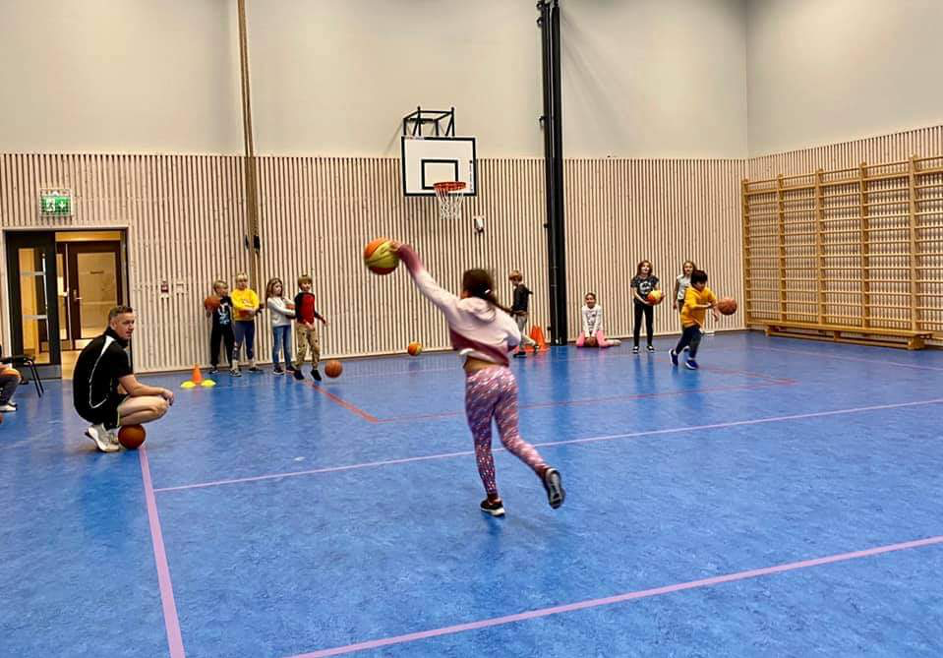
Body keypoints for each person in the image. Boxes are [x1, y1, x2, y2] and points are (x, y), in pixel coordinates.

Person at [392, 241, 564, 517]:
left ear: (465, 288)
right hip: (505, 378)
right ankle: (545, 470)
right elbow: (516, 342)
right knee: (512, 438)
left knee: (483, 443)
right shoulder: (502, 315)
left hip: (480, 379)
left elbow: (425, 281)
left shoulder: (456, 306)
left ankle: (494, 500)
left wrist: (406, 253)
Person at [73, 306, 174, 452]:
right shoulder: (114, 350)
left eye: (133, 322)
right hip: (93, 406)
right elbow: (134, 389)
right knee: (159, 406)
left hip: (91, 402)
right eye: (126, 323)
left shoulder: (106, 343)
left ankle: (104, 427)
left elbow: (122, 386)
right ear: (113, 324)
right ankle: (103, 427)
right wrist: (162, 391)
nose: (131, 327)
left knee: (135, 398)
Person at [670, 269, 720, 370]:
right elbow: (693, 307)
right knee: (697, 336)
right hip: (687, 318)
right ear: (694, 283)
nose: (703, 285)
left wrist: (715, 312)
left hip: (697, 320)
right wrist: (707, 307)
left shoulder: (707, 291)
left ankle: (674, 353)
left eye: (704, 283)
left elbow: (714, 301)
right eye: (700, 283)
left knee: (686, 339)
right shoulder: (690, 292)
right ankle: (691, 359)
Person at [292, 274, 328, 381]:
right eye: (304, 283)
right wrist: (306, 323)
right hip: (302, 325)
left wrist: (321, 318)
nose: (307, 285)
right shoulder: (299, 297)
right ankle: (297, 369)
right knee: (303, 348)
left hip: (311, 325)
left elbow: (312, 311)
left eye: (308, 283)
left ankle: (315, 369)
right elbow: (298, 313)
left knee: (316, 347)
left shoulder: (312, 296)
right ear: (300, 285)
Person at [230, 273, 261, 376]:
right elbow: (236, 305)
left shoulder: (251, 292)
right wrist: (247, 309)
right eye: (240, 281)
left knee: (250, 343)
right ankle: (234, 367)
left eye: (244, 280)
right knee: (237, 344)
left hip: (250, 321)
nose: (243, 283)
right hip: (240, 321)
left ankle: (252, 365)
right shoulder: (234, 293)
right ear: (236, 282)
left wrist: (254, 309)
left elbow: (256, 302)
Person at [265, 277, 296, 375]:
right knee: (277, 346)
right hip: (278, 325)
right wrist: (295, 313)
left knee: (288, 347)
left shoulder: (283, 298)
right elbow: (281, 311)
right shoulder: (270, 300)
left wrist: (293, 305)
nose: (279, 288)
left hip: (287, 324)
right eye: (277, 286)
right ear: (271, 288)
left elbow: (293, 304)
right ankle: (276, 366)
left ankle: (288, 365)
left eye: (280, 286)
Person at [630, 260, 660, 354]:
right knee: (637, 323)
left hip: (649, 303)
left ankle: (649, 344)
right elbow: (635, 293)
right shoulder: (635, 279)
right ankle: (636, 345)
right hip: (639, 303)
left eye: (648, 266)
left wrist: (659, 297)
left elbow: (657, 291)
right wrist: (643, 301)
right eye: (643, 266)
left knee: (649, 324)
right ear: (640, 268)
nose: (646, 268)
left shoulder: (653, 279)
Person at [207, 279, 235, 375]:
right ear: (217, 289)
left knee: (230, 345)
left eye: (226, 288)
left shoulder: (228, 299)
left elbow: (235, 307)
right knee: (214, 346)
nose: (226, 290)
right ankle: (214, 365)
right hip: (217, 327)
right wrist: (209, 310)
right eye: (224, 288)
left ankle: (233, 364)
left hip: (227, 326)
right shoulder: (211, 300)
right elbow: (208, 315)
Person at [508, 270, 539, 357]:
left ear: (516, 279)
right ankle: (522, 350)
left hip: (520, 313)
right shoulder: (524, 288)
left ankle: (534, 343)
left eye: (512, 280)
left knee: (517, 333)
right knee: (519, 331)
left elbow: (517, 304)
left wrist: (511, 310)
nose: (512, 283)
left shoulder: (518, 290)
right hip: (524, 313)